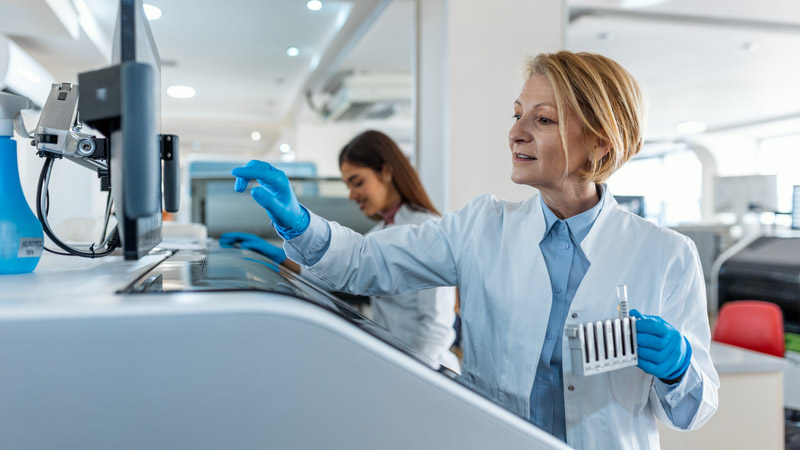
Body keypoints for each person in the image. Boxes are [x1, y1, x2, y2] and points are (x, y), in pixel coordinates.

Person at [229, 51, 719, 448]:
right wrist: (299, 223)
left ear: (600, 142)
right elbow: (366, 263)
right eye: (517, 114)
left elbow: (692, 412)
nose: (516, 132)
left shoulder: (666, 255)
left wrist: (679, 370)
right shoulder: (481, 226)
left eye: (543, 119)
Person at [221, 130, 460, 371]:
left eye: (357, 182)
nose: (352, 195)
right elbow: (342, 271)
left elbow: (436, 328)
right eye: (348, 186)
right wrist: (277, 256)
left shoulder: (428, 229)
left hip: (429, 369)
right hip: (397, 361)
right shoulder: (378, 232)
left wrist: (410, 374)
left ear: (387, 171)